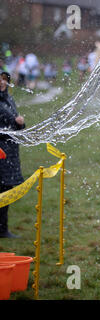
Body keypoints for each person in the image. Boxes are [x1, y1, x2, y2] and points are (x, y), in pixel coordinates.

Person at [0, 71, 25, 238]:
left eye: (4, 80)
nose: (2, 83)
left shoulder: (8, 99)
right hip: (1, 151)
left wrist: (20, 123)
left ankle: (2, 229)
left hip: (10, 151)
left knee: (5, 189)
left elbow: (14, 123)